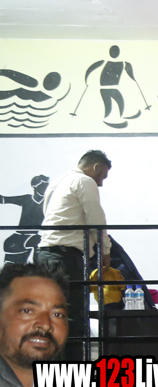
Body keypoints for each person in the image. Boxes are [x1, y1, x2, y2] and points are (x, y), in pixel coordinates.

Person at [36, 149, 112, 360]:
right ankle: (72, 370)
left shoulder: (57, 183)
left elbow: (47, 214)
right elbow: (95, 218)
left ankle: (50, 369)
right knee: (72, 313)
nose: (101, 183)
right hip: (65, 256)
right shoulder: (84, 181)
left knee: (50, 314)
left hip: (45, 254)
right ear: (96, 167)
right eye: (102, 176)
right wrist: (105, 249)